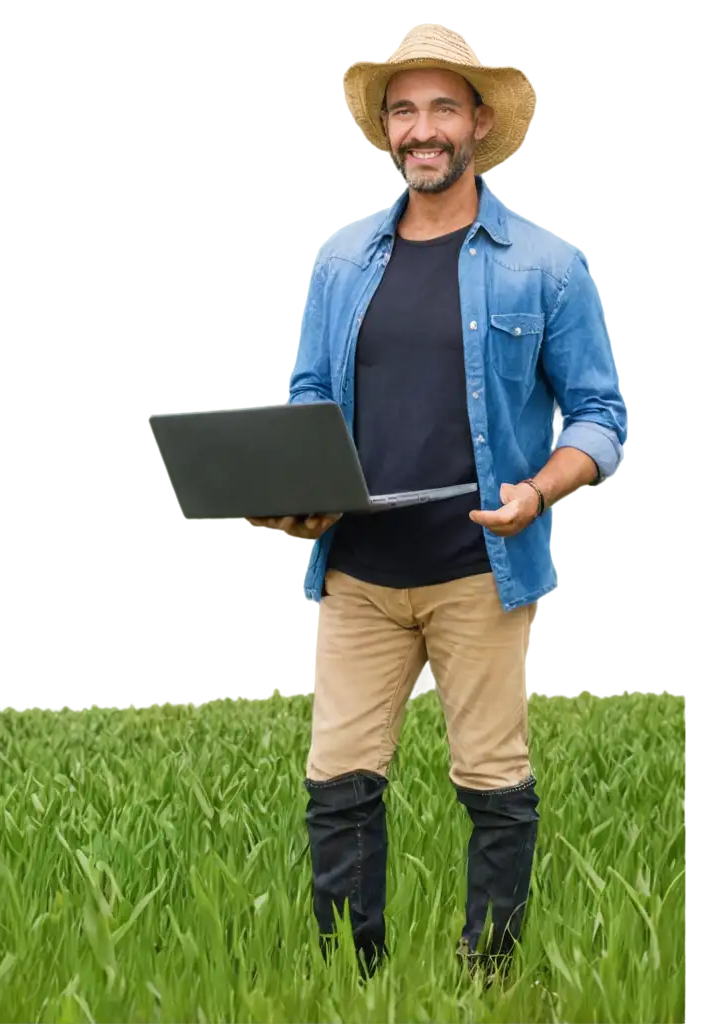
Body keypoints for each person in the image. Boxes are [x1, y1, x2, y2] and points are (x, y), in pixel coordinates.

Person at [246, 21, 627, 980]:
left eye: (442, 108)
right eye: (404, 109)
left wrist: (538, 491)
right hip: (359, 574)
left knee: (493, 782)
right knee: (338, 781)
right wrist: (294, 490)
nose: (422, 129)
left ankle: (485, 979)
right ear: (386, 129)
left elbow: (598, 416)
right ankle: (349, 980)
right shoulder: (338, 262)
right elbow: (308, 399)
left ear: (478, 123)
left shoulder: (544, 265)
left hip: (477, 569)